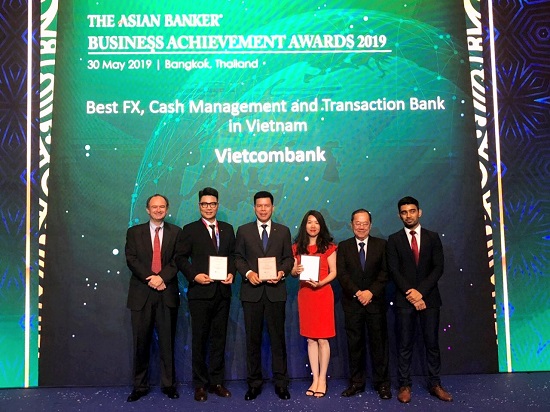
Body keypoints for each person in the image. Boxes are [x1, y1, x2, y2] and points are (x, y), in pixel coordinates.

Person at [386, 196, 452, 403]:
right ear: (399, 215)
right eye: (404, 212)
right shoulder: (393, 240)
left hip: (430, 299)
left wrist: (420, 293)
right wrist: (411, 294)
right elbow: (394, 270)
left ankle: (435, 384)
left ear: (419, 212)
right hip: (404, 300)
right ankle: (404, 385)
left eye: (412, 211)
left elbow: (438, 268)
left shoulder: (433, 237)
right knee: (404, 344)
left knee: (431, 344)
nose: (408, 215)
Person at [176, 187, 235, 402]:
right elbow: (180, 258)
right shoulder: (190, 229)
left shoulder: (227, 229)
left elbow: (233, 256)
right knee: (200, 340)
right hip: (200, 293)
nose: (208, 207)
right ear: (199, 205)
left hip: (222, 293)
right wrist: (194, 275)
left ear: (217, 205)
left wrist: (232, 273)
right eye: (204, 204)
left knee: (219, 340)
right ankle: (199, 384)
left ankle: (216, 382)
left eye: (212, 204)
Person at [234, 191, 294, 401]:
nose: (263, 209)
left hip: (276, 293)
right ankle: (254, 384)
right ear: (254, 208)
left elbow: (289, 259)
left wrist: (282, 272)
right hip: (252, 293)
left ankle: (281, 384)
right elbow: (238, 258)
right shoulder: (243, 231)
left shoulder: (283, 231)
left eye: (266, 205)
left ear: (273, 208)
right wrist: (249, 273)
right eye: (259, 206)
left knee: (278, 340)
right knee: (252, 340)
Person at [125, 194, 182, 402]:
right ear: (147, 210)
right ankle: (140, 386)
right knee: (141, 342)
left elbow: (178, 260)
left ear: (167, 209)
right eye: (154, 207)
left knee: (167, 342)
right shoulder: (134, 232)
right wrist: (151, 278)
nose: (158, 210)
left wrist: (161, 278)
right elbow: (131, 259)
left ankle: (168, 385)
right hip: (142, 294)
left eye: (162, 206)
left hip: (166, 293)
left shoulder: (176, 232)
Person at [337, 209, 392, 400]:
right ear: (351, 224)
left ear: (370, 225)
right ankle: (356, 383)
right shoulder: (344, 246)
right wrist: (358, 292)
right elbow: (342, 274)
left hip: (375, 303)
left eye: (365, 223)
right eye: (357, 223)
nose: (361, 227)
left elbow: (385, 272)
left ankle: (382, 384)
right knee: (354, 345)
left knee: (379, 345)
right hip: (352, 303)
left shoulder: (381, 245)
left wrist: (370, 292)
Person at [291, 210, 337, 398]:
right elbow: (293, 272)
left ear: (321, 226)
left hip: (323, 293)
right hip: (306, 295)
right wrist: (295, 271)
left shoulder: (329, 247)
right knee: (310, 339)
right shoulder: (297, 248)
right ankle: (315, 378)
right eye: (309, 222)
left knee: (323, 339)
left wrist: (321, 283)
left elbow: (334, 272)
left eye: (316, 222)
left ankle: (323, 379)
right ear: (305, 225)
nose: (313, 226)